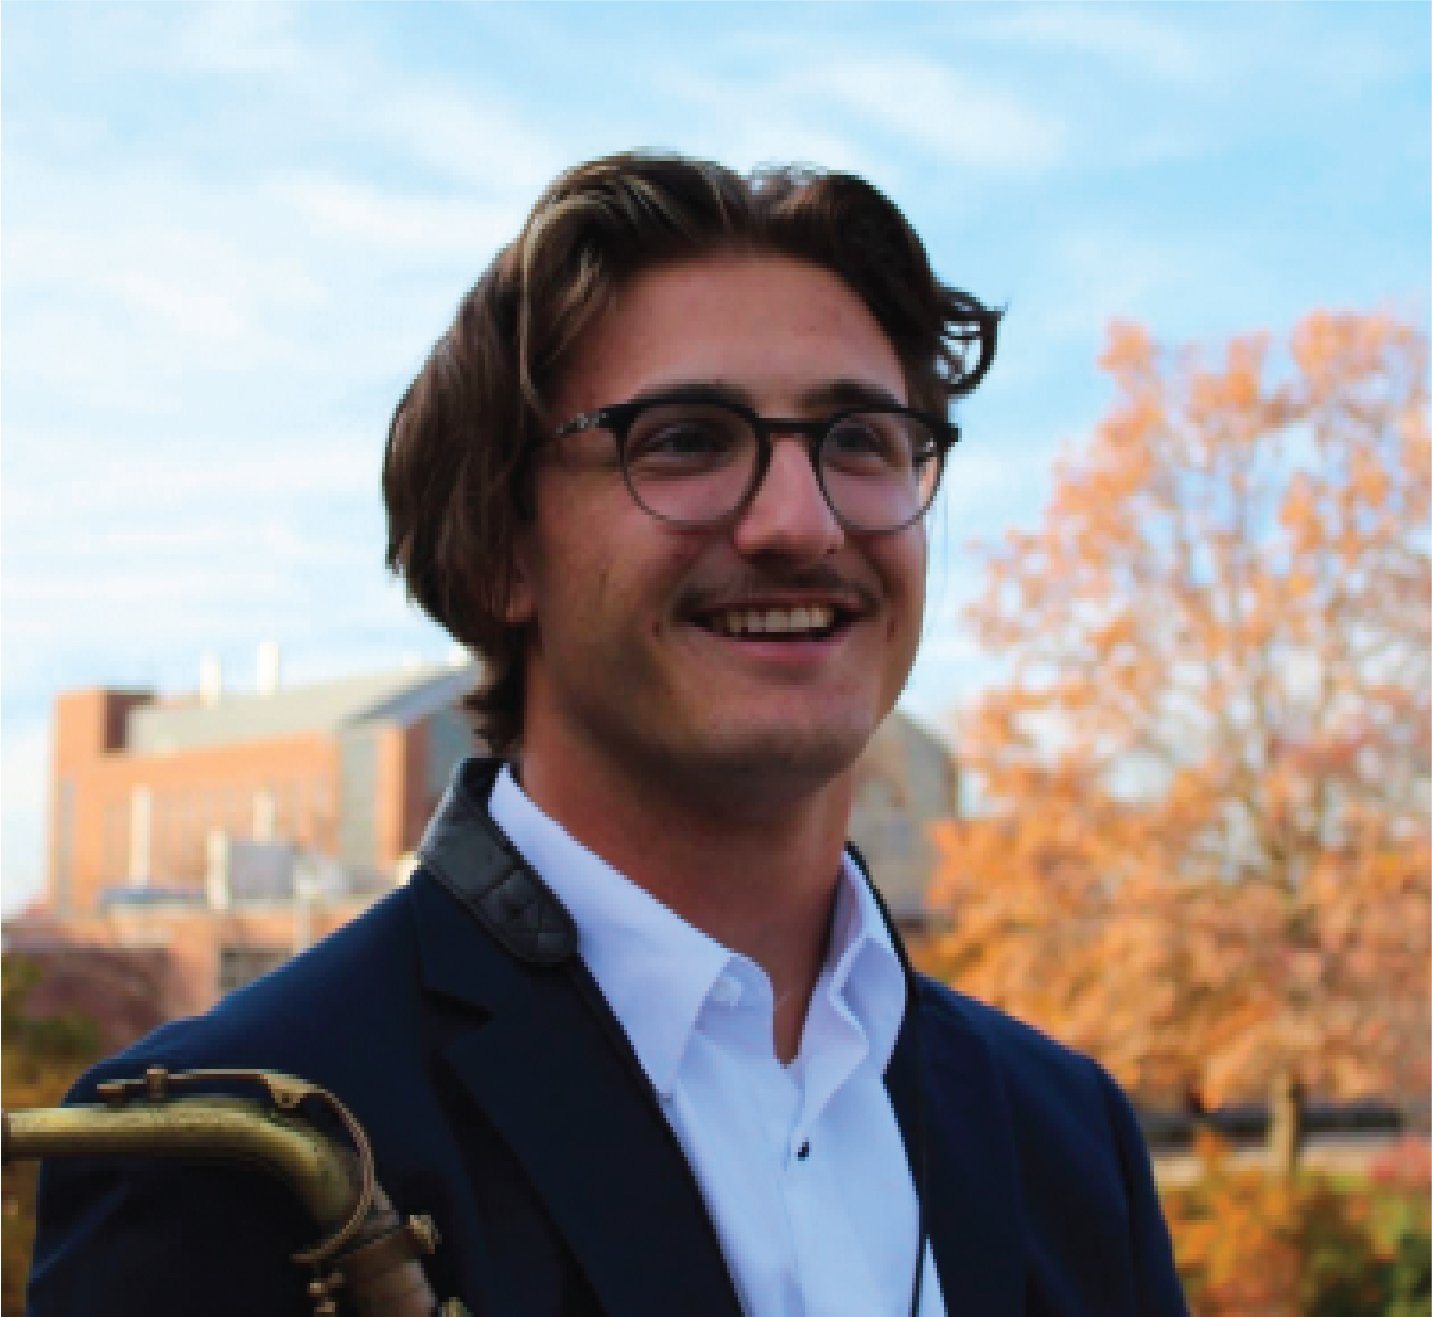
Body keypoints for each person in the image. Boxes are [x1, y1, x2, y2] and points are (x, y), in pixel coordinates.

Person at [28, 152, 1187, 1315]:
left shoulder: (1070, 1137)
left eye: (859, 439)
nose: (799, 520)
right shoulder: (220, 1158)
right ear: (498, 552)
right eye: (684, 439)